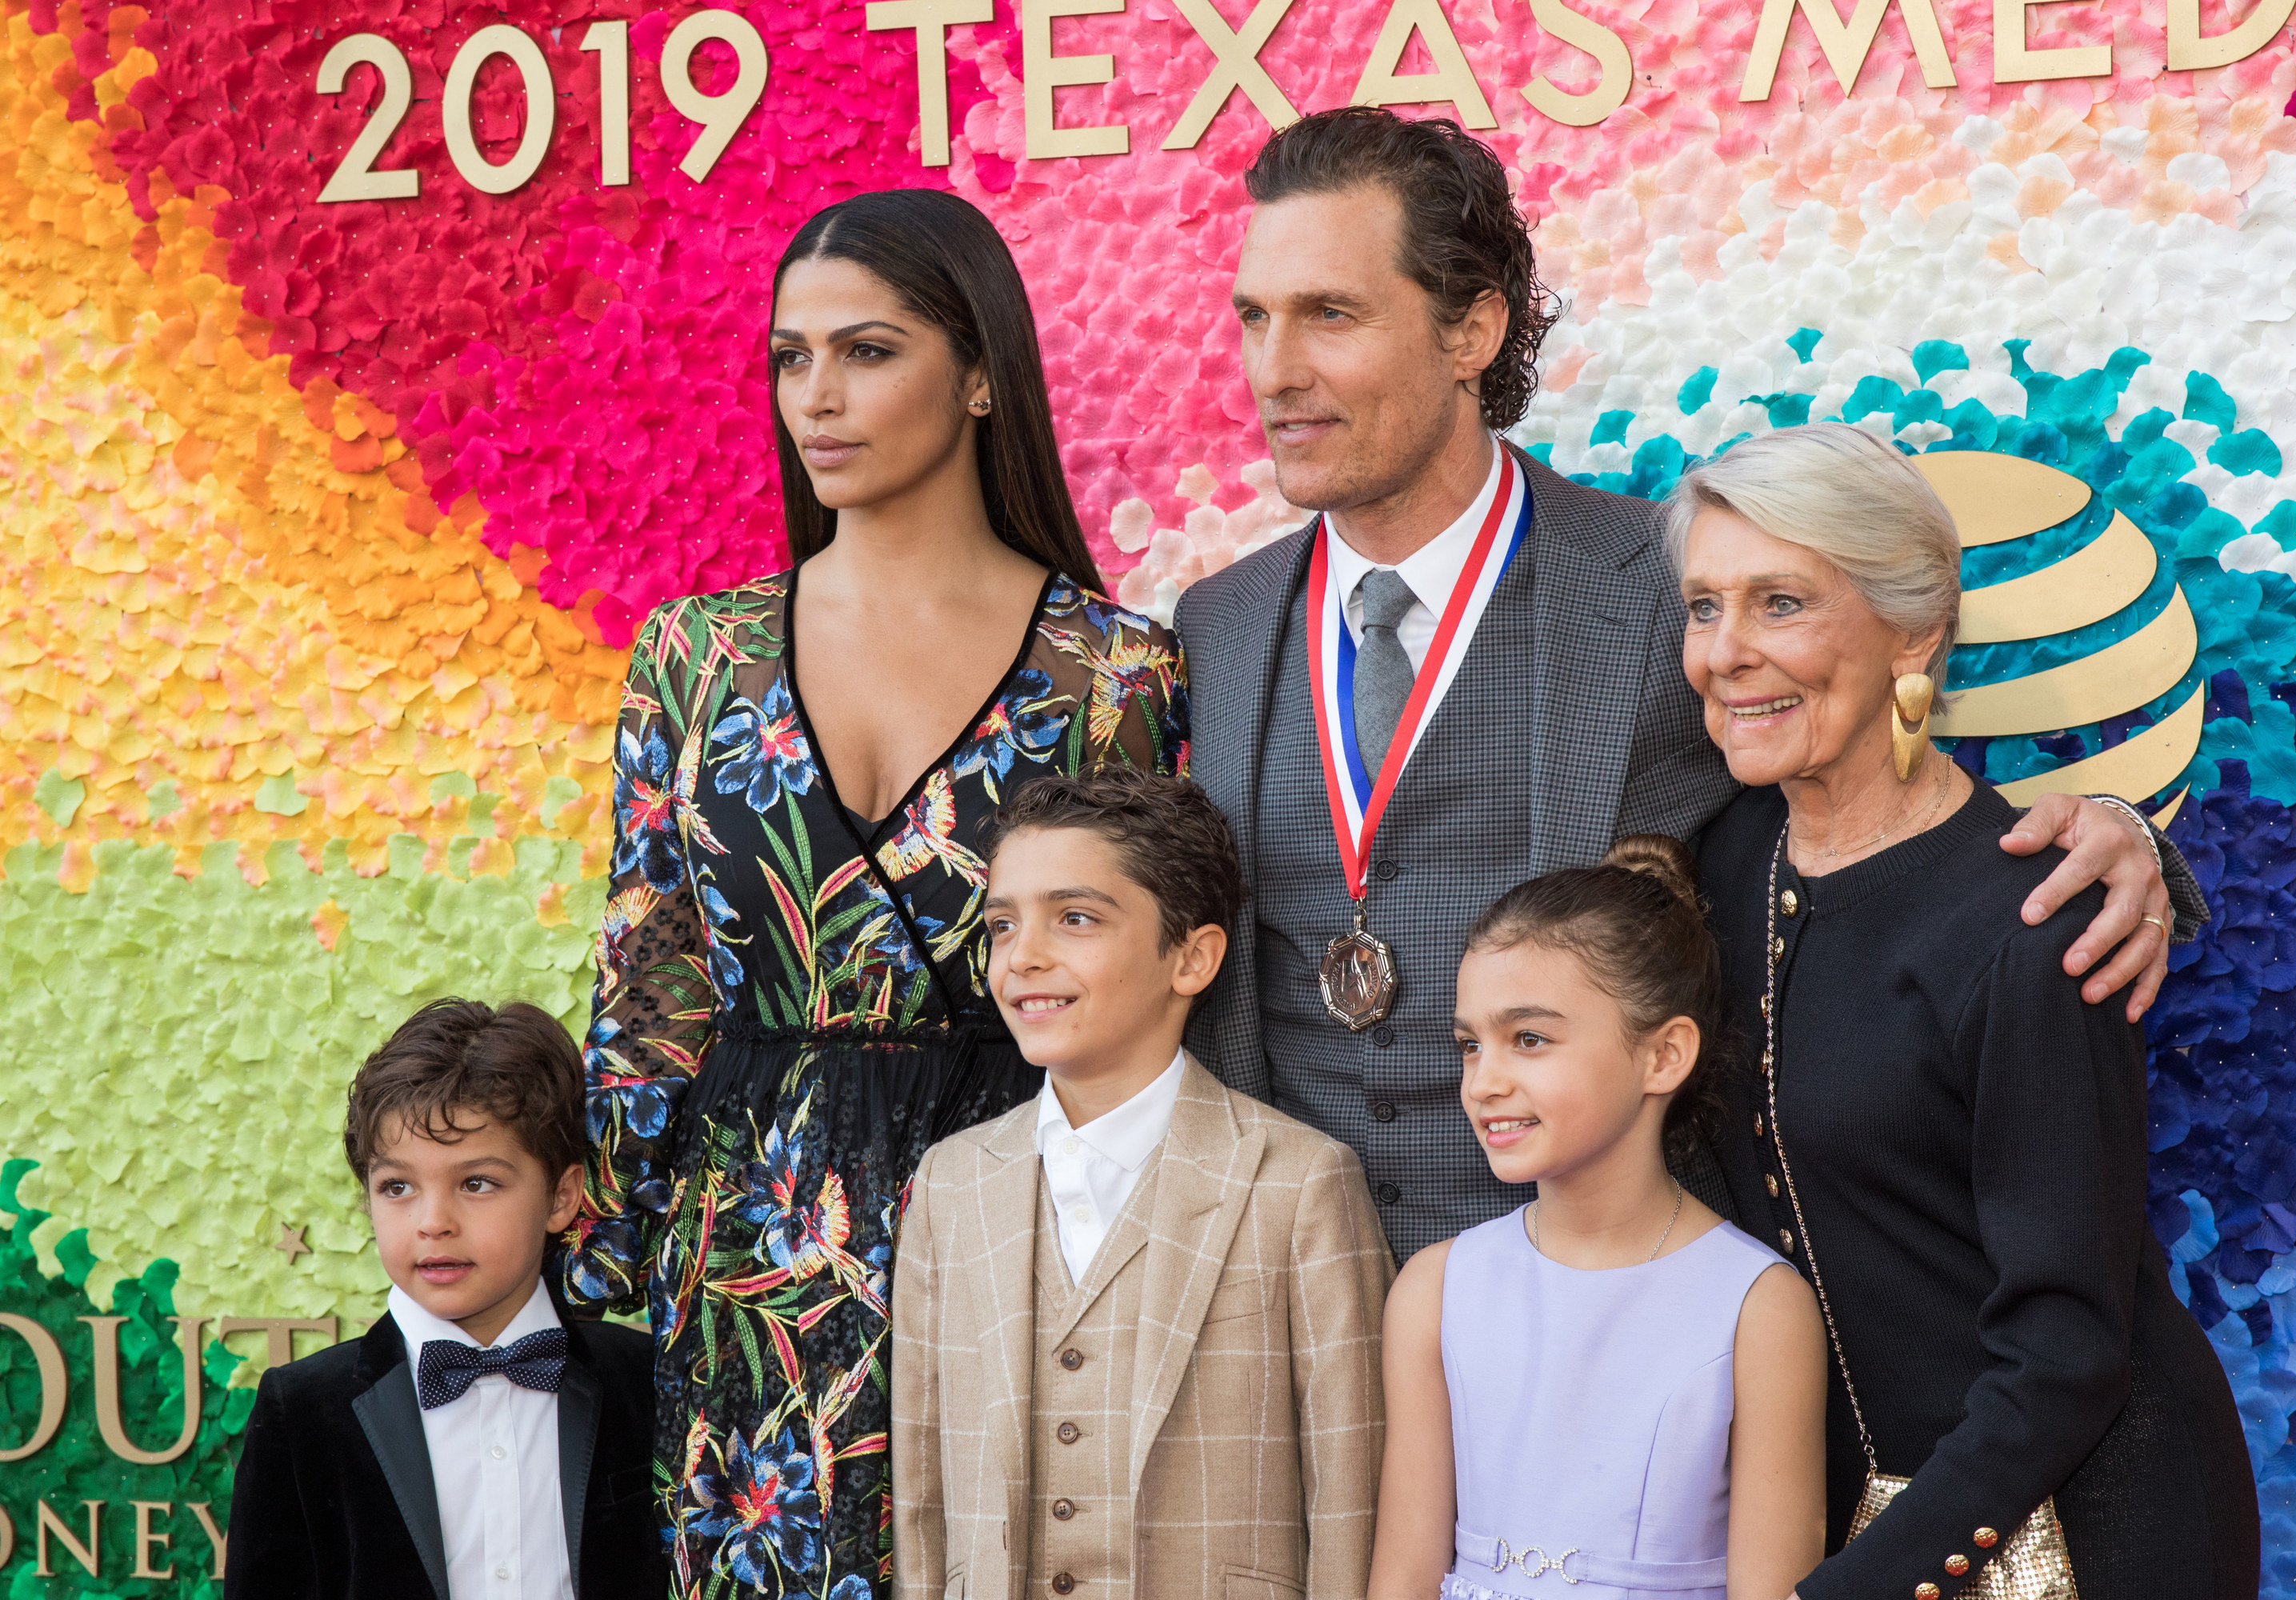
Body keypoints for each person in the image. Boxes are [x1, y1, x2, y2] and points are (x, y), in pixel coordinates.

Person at [1174, 106, 2204, 1261]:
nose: (1276, 372)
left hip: (1613, 1311)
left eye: (1330, 316)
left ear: (1473, 329)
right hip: (1296, 1320)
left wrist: (2111, 833)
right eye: (1256, 318)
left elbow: (1871, 805)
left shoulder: (1674, 588)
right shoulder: (1217, 628)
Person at [565, 190, 1189, 1598]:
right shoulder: (698, 656)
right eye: (791, 358)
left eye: (866, 351)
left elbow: (1143, 1011)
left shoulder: (1115, 678)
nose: (816, 398)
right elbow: (648, 990)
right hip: (744, 1270)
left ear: (979, 375)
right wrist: (615, 1261)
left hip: (1024, 1247)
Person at [1681, 422, 2257, 1598]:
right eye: (1703, 606)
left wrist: (1853, 1585)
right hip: (1860, 1525)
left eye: (1780, 603)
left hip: (2091, 1538)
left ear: (1918, 631)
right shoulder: (1724, 860)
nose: (1726, 652)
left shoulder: (2034, 922)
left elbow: (2065, 1351)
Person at [891, 767, 1391, 1600]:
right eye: (1003, 924)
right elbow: (922, 1494)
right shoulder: (952, 1186)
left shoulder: (1301, 1183)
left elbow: (1352, 1499)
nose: (1025, 956)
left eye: (1076, 917)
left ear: (1192, 956)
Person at [1370, 840, 1826, 1600]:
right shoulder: (1437, 1288)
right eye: (1469, 1045)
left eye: (1530, 1039)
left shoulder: (1758, 1307)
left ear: (1663, 1056)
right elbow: (1404, 1576)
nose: (1484, 1081)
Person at [226, 999, 663, 1600]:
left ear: (562, 1197)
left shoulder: (650, 1382)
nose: (433, 1222)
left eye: (477, 1183)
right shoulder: (300, 1410)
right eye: (398, 1186)